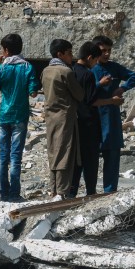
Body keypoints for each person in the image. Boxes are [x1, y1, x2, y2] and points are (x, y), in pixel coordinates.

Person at [0, 33, 40, 202]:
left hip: (5, 115)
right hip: (20, 116)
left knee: (4, 155)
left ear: (5, 50)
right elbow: (33, 92)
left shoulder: (2, 68)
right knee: (16, 156)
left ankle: (4, 193)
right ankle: (14, 193)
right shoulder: (27, 67)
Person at [92, 34, 135, 193]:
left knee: (112, 158)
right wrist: (99, 84)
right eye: (103, 51)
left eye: (109, 50)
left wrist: (123, 88)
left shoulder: (114, 68)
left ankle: (109, 192)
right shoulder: (89, 68)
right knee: (91, 159)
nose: (106, 54)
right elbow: (84, 89)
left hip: (112, 119)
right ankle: (90, 193)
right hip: (93, 118)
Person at [68, 41, 115, 198]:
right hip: (89, 123)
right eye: (95, 60)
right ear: (90, 57)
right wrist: (112, 101)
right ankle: (91, 193)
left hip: (75, 121)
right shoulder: (88, 74)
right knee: (91, 161)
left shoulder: (71, 71)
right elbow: (92, 101)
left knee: (77, 161)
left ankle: (71, 193)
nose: (96, 64)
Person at [41, 39, 83, 198]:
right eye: (69, 53)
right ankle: (62, 193)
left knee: (54, 152)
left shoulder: (46, 71)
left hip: (51, 118)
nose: (71, 57)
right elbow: (79, 95)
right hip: (65, 119)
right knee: (65, 154)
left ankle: (53, 191)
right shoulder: (66, 72)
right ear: (60, 54)